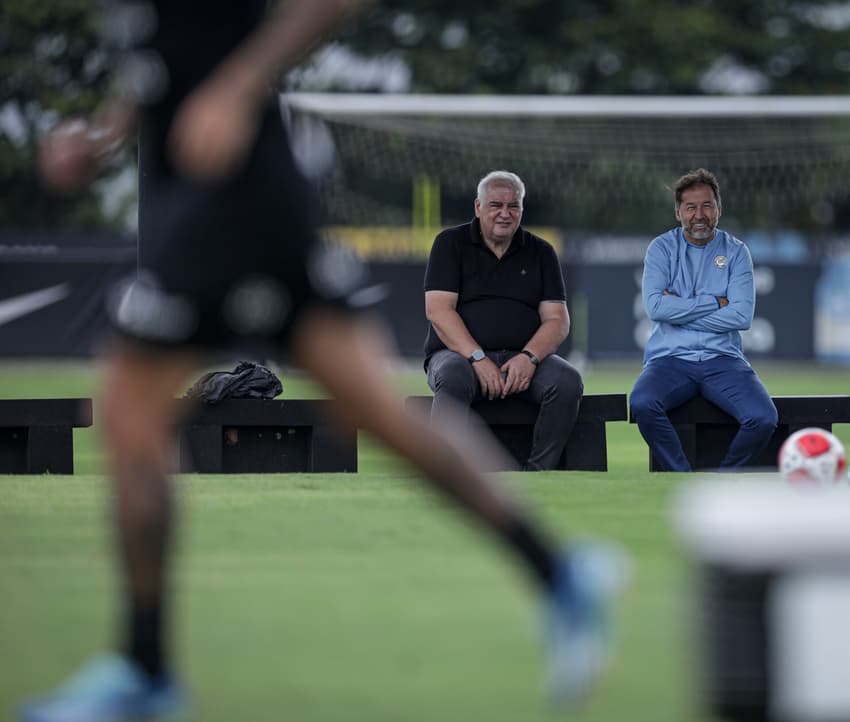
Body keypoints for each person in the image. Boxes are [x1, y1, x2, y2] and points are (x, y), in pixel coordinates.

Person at [25, 2, 628, 720]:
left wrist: (238, 86)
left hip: (234, 186)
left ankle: (145, 668)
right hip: (218, 184)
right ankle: (560, 575)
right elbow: (168, 56)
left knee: (129, 410)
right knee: (374, 407)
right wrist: (110, 133)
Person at [423, 170, 584, 471]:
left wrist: (530, 358)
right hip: (459, 357)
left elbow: (557, 320)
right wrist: (477, 357)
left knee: (567, 381)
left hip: (522, 359)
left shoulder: (542, 251)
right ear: (478, 207)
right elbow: (438, 311)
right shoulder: (450, 243)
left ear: (522, 209)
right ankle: (445, 472)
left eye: (513, 206)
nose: (505, 214)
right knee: (454, 376)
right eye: (496, 205)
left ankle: (539, 473)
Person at [630, 168, 778, 472]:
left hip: (723, 359)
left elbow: (740, 316)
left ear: (719, 210)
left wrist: (680, 311)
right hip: (669, 359)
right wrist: (714, 303)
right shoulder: (661, 248)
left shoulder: (736, 252)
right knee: (642, 404)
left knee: (763, 418)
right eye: (691, 207)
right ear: (678, 212)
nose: (699, 214)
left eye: (707, 205)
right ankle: (681, 476)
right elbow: (656, 308)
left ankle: (722, 479)